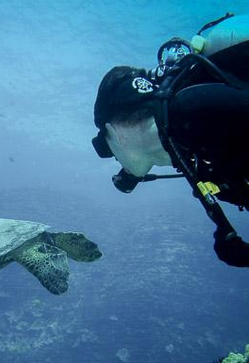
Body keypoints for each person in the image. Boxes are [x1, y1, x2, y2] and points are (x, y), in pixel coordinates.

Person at [92, 13, 249, 267]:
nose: (119, 164)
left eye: (110, 151)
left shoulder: (190, 109)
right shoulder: (187, 140)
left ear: (114, 132)